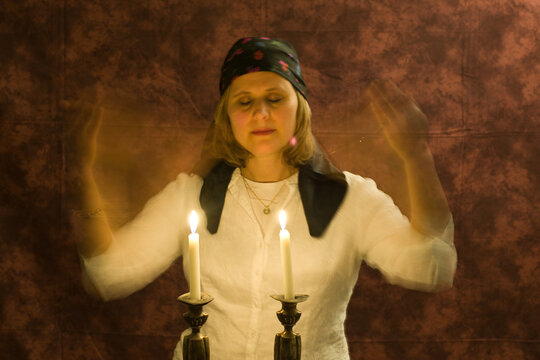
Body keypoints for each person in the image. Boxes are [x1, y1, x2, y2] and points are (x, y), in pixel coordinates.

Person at [68, 37, 457, 360]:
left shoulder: (349, 198)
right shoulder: (192, 195)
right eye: (244, 101)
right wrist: (83, 173)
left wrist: (416, 157)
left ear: (299, 108)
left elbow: (432, 265)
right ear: (227, 116)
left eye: (275, 97)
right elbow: (109, 272)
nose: (260, 113)